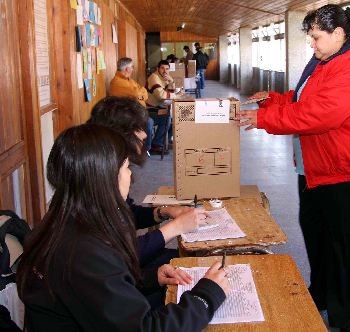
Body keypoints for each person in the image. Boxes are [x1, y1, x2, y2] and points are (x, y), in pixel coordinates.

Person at [237, 5, 350, 332]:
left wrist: (263, 119)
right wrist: (272, 101)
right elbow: (302, 100)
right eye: (311, 37)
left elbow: (318, 115)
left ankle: (348, 316)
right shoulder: (324, 62)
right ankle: (322, 298)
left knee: (346, 249)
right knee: (319, 238)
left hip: (347, 173)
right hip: (318, 170)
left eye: (317, 37)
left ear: (340, 34)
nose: (312, 44)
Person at [17, 124, 229, 331]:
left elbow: (94, 293)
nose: (130, 176)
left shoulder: (62, 219)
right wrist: (207, 295)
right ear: (106, 179)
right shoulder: (85, 251)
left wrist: (148, 279)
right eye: (126, 167)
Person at [88, 96, 200, 271]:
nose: (145, 134)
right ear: (119, 133)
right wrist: (175, 227)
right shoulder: (98, 180)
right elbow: (118, 256)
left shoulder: (105, 166)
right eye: (138, 128)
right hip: (123, 268)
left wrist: (164, 212)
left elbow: (127, 213)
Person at [108, 57, 160, 154]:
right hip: (127, 114)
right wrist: (140, 95)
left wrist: (140, 95)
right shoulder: (117, 82)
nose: (133, 69)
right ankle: (145, 148)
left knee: (164, 118)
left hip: (138, 112)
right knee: (149, 122)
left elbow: (144, 92)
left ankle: (156, 144)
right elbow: (137, 94)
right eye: (132, 67)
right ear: (127, 69)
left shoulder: (129, 80)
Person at [146, 60, 181, 154]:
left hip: (159, 106)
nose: (165, 71)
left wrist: (171, 81)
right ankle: (156, 144)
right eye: (162, 68)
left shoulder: (164, 77)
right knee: (167, 119)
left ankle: (163, 141)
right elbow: (161, 95)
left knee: (175, 120)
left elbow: (170, 92)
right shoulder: (154, 77)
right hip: (150, 109)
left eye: (167, 69)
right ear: (157, 69)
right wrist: (175, 96)